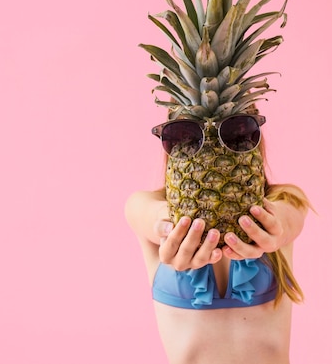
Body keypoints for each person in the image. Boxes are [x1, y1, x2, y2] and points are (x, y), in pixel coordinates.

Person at [125, 137, 311, 364]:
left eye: (234, 130)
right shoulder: (143, 203)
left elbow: (288, 220)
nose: (212, 145)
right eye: (192, 133)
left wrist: (273, 227)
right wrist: (171, 223)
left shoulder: (285, 200)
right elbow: (149, 216)